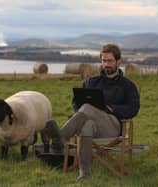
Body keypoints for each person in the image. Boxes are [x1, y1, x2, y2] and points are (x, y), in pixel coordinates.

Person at [45, 44, 140, 180]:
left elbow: (134, 108)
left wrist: (112, 108)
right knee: (86, 125)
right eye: (104, 61)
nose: (106, 64)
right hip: (92, 124)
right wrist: (83, 112)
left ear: (119, 62)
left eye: (110, 61)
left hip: (113, 126)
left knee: (88, 108)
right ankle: (85, 173)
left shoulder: (128, 85)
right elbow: (75, 103)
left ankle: (62, 136)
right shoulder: (91, 82)